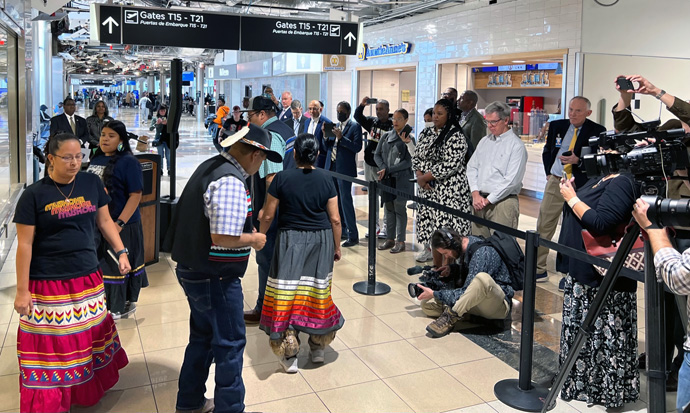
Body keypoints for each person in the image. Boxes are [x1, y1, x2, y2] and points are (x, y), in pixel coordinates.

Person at [13, 132, 131, 413]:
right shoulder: (33, 196)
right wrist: (21, 291)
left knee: (86, 338)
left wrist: (122, 251)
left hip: (87, 278)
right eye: (68, 157)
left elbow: (104, 222)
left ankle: (83, 390)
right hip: (47, 283)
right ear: (51, 158)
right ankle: (52, 400)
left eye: (79, 156)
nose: (75, 162)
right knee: (52, 346)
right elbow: (25, 245)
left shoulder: (91, 183)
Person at [166, 125, 277, 413]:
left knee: (201, 339)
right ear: (254, 154)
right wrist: (254, 239)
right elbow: (222, 237)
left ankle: (189, 402)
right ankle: (230, 408)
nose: (261, 166)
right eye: (263, 159)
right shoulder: (230, 181)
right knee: (229, 344)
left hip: (194, 269)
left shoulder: (212, 165)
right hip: (215, 276)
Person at [258, 133, 344, 373]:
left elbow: (267, 214)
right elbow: (335, 219)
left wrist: (261, 237)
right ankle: (317, 347)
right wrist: (336, 247)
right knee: (317, 291)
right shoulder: (327, 179)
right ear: (316, 154)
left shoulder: (281, 178)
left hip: (290, 240)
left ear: (293, 154)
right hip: (321, 241)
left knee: (287, 293)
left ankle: (289, 353)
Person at [556, 170, 640, 408]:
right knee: (582, 331)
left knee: (605, 333)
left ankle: (606, 389)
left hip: (603, 275)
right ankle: (580, 383)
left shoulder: (623, 181)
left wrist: (572, 198)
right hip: (581, 270)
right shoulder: (601, 177)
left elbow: (601, 222)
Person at [536, 97, 605, 285]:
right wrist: (549, 172)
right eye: (571, 109)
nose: (573, 114)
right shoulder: (558, 126)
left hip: (580, 186)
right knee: (544, 224)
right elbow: (547, 149)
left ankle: (569, 273)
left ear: (588, 113)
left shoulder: (597, 131)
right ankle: (538, 268)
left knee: (572, 230)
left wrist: (578, 161)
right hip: (556, 181)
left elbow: (598, 160)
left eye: (578, 111)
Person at [632, 198, 690, 412]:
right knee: (666, 305)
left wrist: (652, 229)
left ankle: (675, 365)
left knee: (678, 308)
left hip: (679, 226)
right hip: (671, 216)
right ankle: (660, 360)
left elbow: (678, 277)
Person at [87, 120, 148, 319]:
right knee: (103, 267)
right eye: (103, 134)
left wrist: (119, 224)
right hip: (99, 225)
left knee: (117, 267)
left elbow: (136, 195)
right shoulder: (96, 158)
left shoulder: (128, 162)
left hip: (122, 225)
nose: (105, 139)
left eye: (111, 136)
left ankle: (119, 306)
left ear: (121, 140)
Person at [240, 96, 290, 325]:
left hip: (275, 213)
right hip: (288, 208)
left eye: (250, 116)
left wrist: (264, 213)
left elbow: (272, 178)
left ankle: (265, 309)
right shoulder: (286, 129)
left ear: (262, 114)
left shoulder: (270, 136)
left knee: (266, 259)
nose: (248, 120)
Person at [417, 228, 513, 338]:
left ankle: (450, 317)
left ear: (453, 244)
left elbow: (467, 290)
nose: (447, 257)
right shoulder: (464, 246)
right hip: (475, 301)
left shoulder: (483, 253)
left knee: (482, 278)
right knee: (426, 306)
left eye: (446, 253)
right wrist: (452, 269)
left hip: (496, 305)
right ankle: (467, 315)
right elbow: (469, 277)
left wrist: (435, 294)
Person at [412, 98, 472, 262]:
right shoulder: (426, 132)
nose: (435, 117)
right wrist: (419, 176)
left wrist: (425, 177)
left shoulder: (457, 136)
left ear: (449, 115)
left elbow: (450, 164)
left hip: (449, 191)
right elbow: (417, 156)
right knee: (430, 228)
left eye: (440, 114)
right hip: (427, 189)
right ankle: (433, 260)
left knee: (447, 232)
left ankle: (450, 267)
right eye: (434, 113)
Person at [467, 101, 527, 238]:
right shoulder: (484, 141)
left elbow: (511, 181)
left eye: (493, 122)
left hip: (502, 202)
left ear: (506, 120)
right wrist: (475, 194)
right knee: (478, 246)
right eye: (487, 122)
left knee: (501, 247)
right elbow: (471, 167)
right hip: (479, 201)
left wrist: (489, 200)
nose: (490, 126)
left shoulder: (516, 146)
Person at [374, 108, 415, 253]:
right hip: (387, 179)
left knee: (399, 209)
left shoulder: (409, 138)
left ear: (405, 120)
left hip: (402, 180)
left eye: (399, 119)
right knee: (388, 209)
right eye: (394, 119)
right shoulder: (386, 136)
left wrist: (389, 170)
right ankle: (389, 239)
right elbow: (377, 155)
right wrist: (383, 167)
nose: (395, 121)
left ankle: (401, 240)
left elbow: (408, 162)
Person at [354, 96, 393, 239]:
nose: (378, 112)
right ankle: (374, 226)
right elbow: (357, 116)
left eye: (381, 109)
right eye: (377, 109)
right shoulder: (372, 122)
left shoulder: (392, 125)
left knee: (386, 198)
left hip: (384, 167)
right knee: (372, 197)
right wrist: (362, 104)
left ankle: (386, 227)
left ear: (388, 110)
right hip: (369, 164)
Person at [325, 101, 363, 247]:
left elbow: (357, 147)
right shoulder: (335, 126)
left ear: (347, 112)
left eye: (341, 111)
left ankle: (353, 235)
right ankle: (343, 230)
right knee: (336, 200)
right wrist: (324, 136)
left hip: (345, 169)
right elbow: (327, 146)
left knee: (346, 201)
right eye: (337, 111)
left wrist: (342, 138)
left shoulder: (354, 126)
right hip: (332, 166)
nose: (338, 113)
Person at [303, 99, 331, 168]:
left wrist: (325, 136)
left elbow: (329, 146)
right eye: (310, 109)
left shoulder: (328, 123)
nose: (311, 111)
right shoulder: (306, 122)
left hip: (320, 161)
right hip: (307, 159)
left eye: (314, 109)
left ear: (320, 109)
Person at [150, 105, 177, 175]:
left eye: (164, 110)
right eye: (161, 111)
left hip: (168, 139)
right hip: (159, 139)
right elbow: (151, 128)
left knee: (168, 154)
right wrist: (157, 123)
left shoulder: (169, 118)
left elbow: (175, 128)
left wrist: (168, 124)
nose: (162, 112)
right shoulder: (155, 118)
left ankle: (169, 169)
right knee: (160, 155)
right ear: (158, 111)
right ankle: (160, 169)